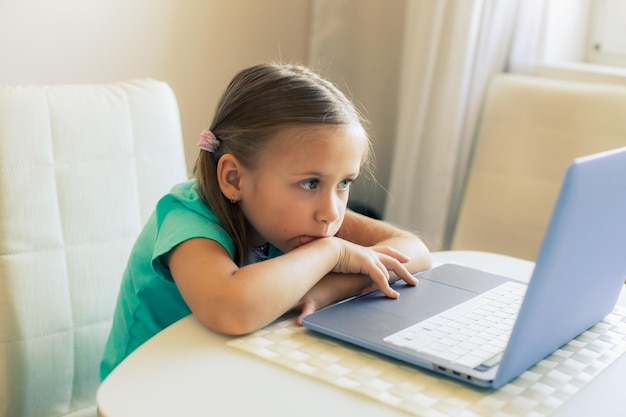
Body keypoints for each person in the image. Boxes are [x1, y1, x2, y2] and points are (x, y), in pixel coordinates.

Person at [100, 63, 432, 381]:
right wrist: (334, 253)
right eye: (310, 183)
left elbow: (414, 251)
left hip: (231, 373)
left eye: (345, 183)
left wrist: (327, 289)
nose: (331, 212)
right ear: (234, 178)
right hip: (147, 390)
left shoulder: (306, 217)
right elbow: (232, 308)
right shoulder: (186, 218)